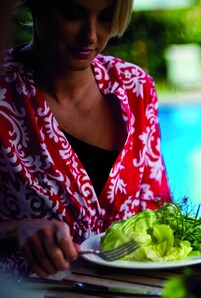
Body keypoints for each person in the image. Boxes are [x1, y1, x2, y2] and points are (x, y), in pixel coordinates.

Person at [0, 0, 172, 279]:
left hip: (129, 291)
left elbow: (156, 202)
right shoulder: (4, 93)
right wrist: (16, 230)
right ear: (36, 5)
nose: (90, 36)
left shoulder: (135, 87)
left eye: (105, 17)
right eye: (72, 14)